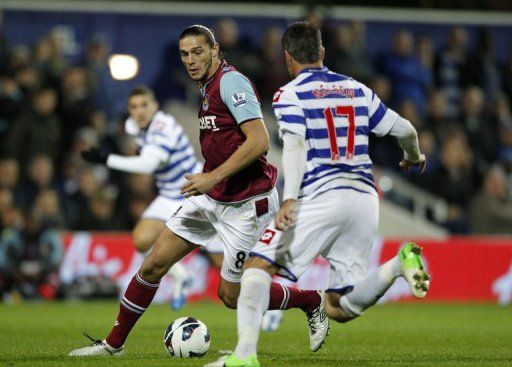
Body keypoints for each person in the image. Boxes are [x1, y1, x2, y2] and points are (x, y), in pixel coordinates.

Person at [69, 24, 327, 357]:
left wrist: (212, 176)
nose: (190, 60)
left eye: (198, 52)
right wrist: (211, 181)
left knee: (231, 297)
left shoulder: (231, 82)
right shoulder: (205, 86)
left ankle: (311, 300)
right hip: (211, 196)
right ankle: (112, 345)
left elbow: (260, 140)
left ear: (216, 49)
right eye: (184, 54)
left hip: (247, 204)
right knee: (152, 265)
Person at [221, 22, 431, 367]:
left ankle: (244, 356)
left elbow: (296, 145)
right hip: (364, 199)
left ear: (288, 59)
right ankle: (397, 264)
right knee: (339, 306)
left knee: (256, 268)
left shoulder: (288, 95)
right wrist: (413, 156)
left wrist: (289, 198)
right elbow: (406, 129)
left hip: (321, 195)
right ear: (321, 53)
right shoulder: (356, 90)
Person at [80, 86, 212, 309]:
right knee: (141, 239)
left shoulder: (163, 125)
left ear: (155, 106)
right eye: (134, 106)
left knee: (221, 260)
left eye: (144, 105)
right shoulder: (139, 127)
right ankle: (181, 276)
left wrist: (107, 159)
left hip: (195, 190)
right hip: (170, 194)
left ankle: (263, 297)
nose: (139, 110)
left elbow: (149, 164)